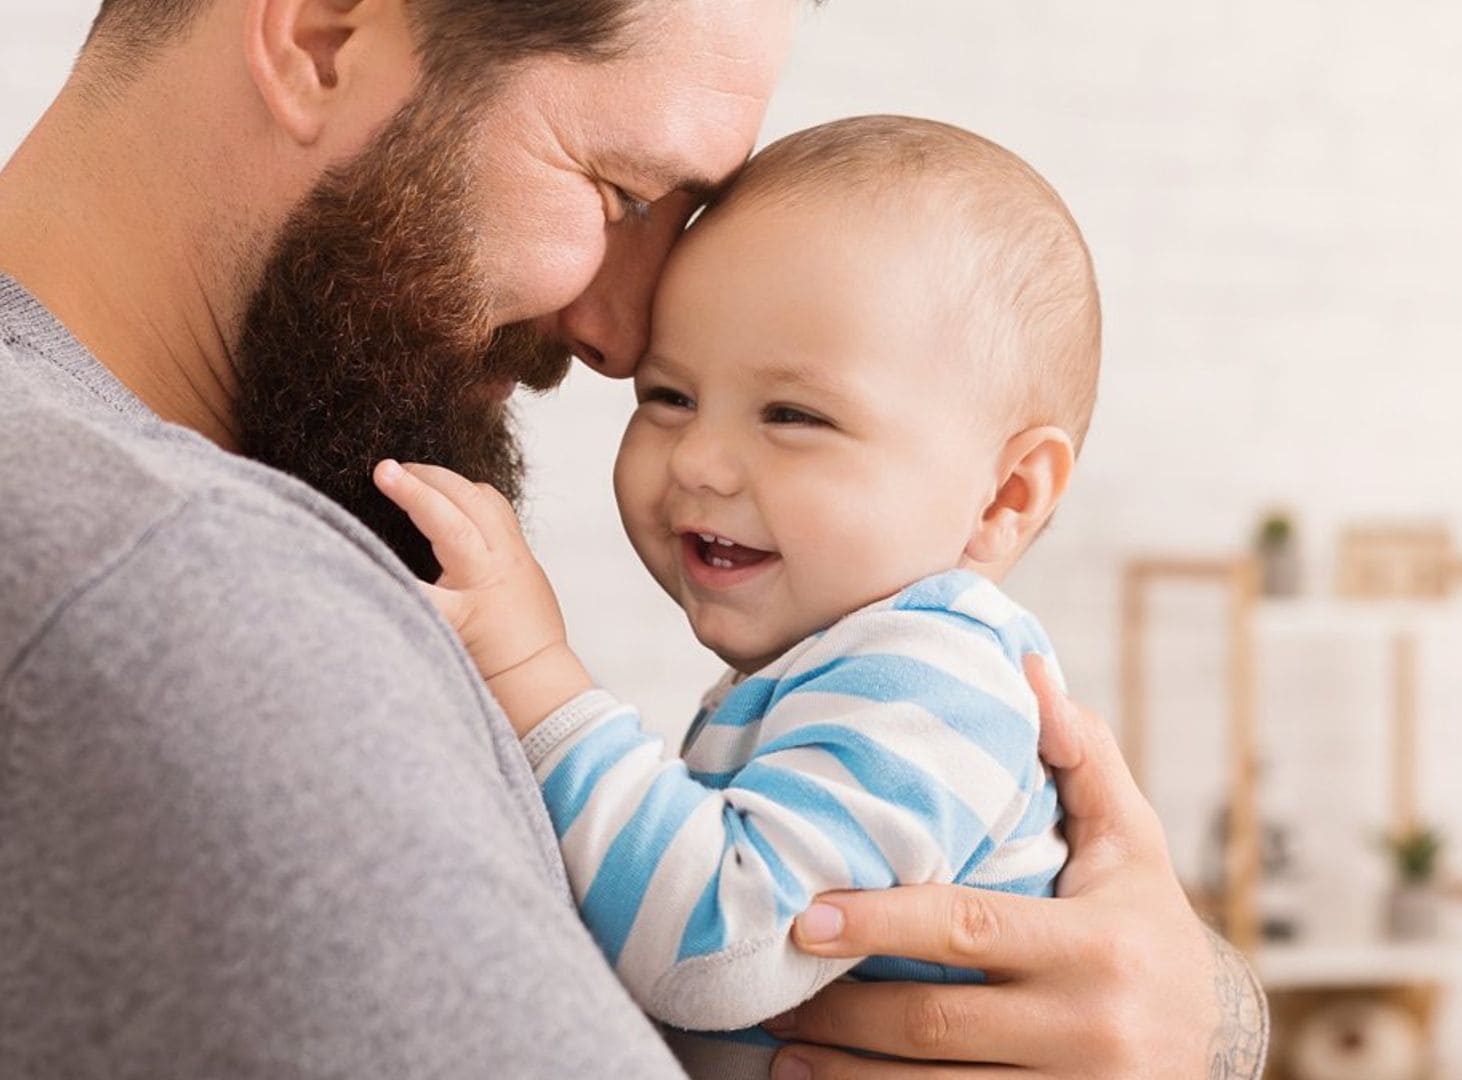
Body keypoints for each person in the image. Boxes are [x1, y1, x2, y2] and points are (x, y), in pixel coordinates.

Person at [0, 1, 1266, 1078]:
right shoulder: (172, 595)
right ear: (321, 34)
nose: (625, 332)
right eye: (621, 194)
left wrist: (1183, 1012)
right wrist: (1203, 1038)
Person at [374, 115, 1097, 1078]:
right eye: (668, 398)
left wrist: (532, 672)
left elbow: (719, 945)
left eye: (794, 415)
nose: (702, 461)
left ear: (1003, 498)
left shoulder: (930, 677)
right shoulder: (834, 670)